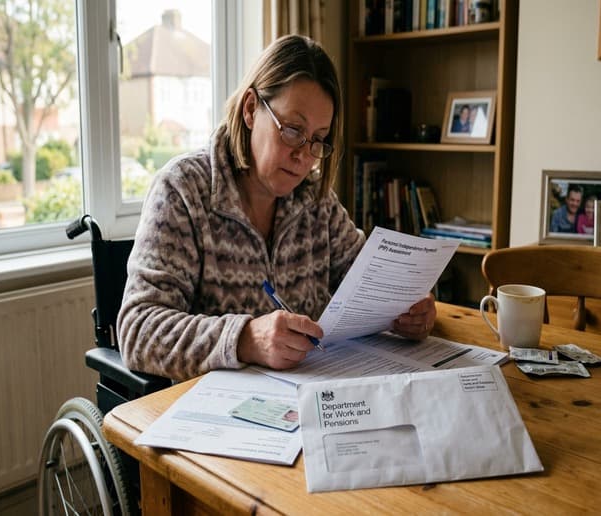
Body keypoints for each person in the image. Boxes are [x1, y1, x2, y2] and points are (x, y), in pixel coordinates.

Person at [117, 35, 437, 381]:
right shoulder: (182, 190)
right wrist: (245, 339)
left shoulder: (316, 200)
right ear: (250, 109)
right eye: (293, 130)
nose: (303, 156)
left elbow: (371, 281)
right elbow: (138, 331)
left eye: (318, 139)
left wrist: (408, 308)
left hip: (312, 393)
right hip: (213, 405)